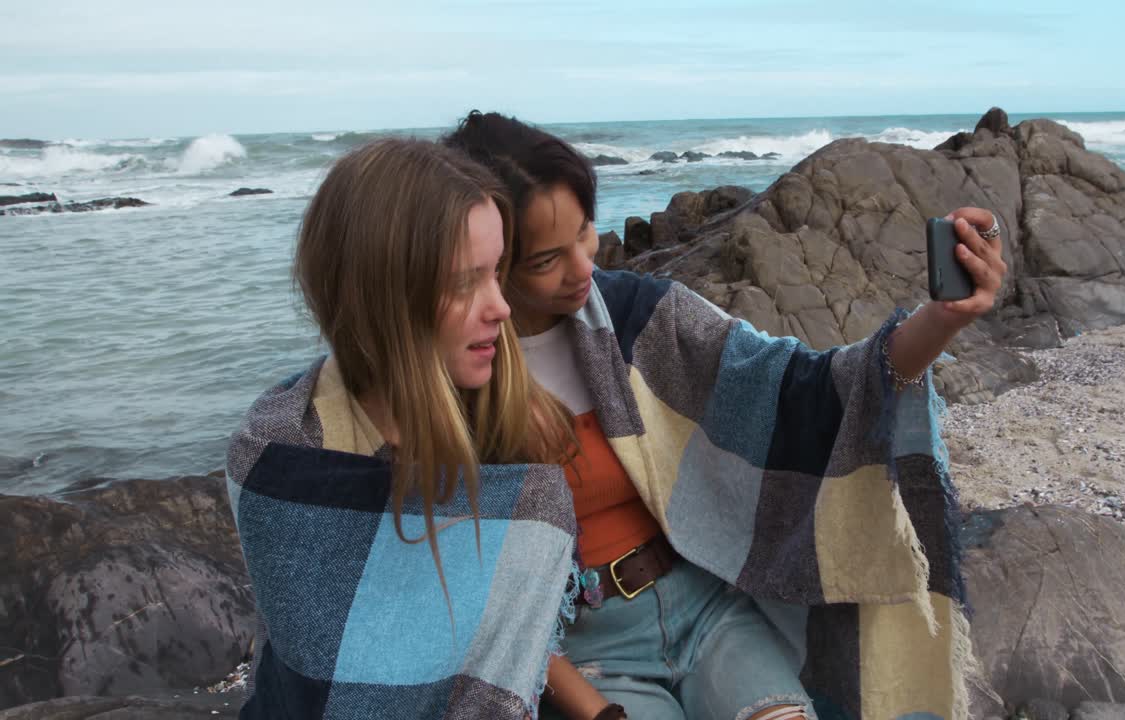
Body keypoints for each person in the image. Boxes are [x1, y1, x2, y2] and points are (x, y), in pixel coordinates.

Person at [445, 111, 1008, 720]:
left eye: (585, 232)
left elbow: (804, 391)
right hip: (580, 651)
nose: (585, 268)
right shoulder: (453, 380)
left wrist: (944, 319)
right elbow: (464, 593)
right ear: (489, 260)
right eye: (545, 260)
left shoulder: (637, 318)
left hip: (705, 608)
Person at [224, 137, 609, 719]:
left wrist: (605, 714)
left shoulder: (503, 416)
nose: (501, 307)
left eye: (497, 272)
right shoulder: (285, 459)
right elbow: (330, 685)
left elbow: (510, 646)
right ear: (386, 299)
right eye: (464, 282)